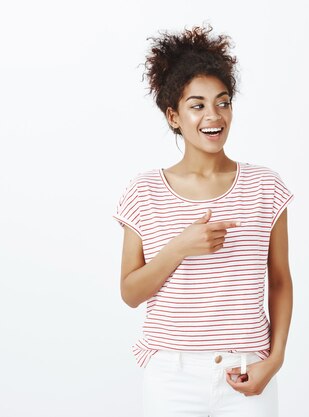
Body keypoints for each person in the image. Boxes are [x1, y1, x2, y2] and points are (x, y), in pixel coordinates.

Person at [112, 23, 294, 417]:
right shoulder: (143, 191)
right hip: (171, 377)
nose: (213, 116)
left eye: (223, 102)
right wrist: (179, 247)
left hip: (248, 370)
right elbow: (130, 293)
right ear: (173, 115)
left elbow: (279, 279)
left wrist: (275, 359)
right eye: (197, 105)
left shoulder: (265, 186)